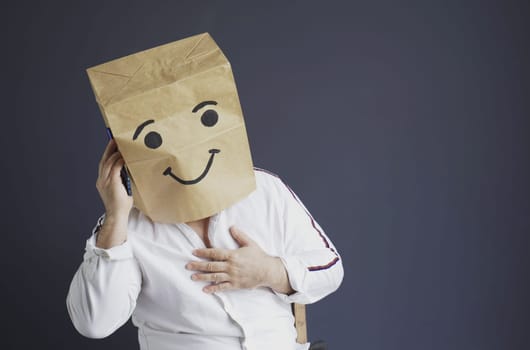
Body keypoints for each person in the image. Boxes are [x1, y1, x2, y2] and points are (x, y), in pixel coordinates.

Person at [66, 138, 343, 350]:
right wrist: (115, 216)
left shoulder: (264, 190)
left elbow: (331, 269)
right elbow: (94, 322)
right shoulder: (127, 224)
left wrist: (269, 272)